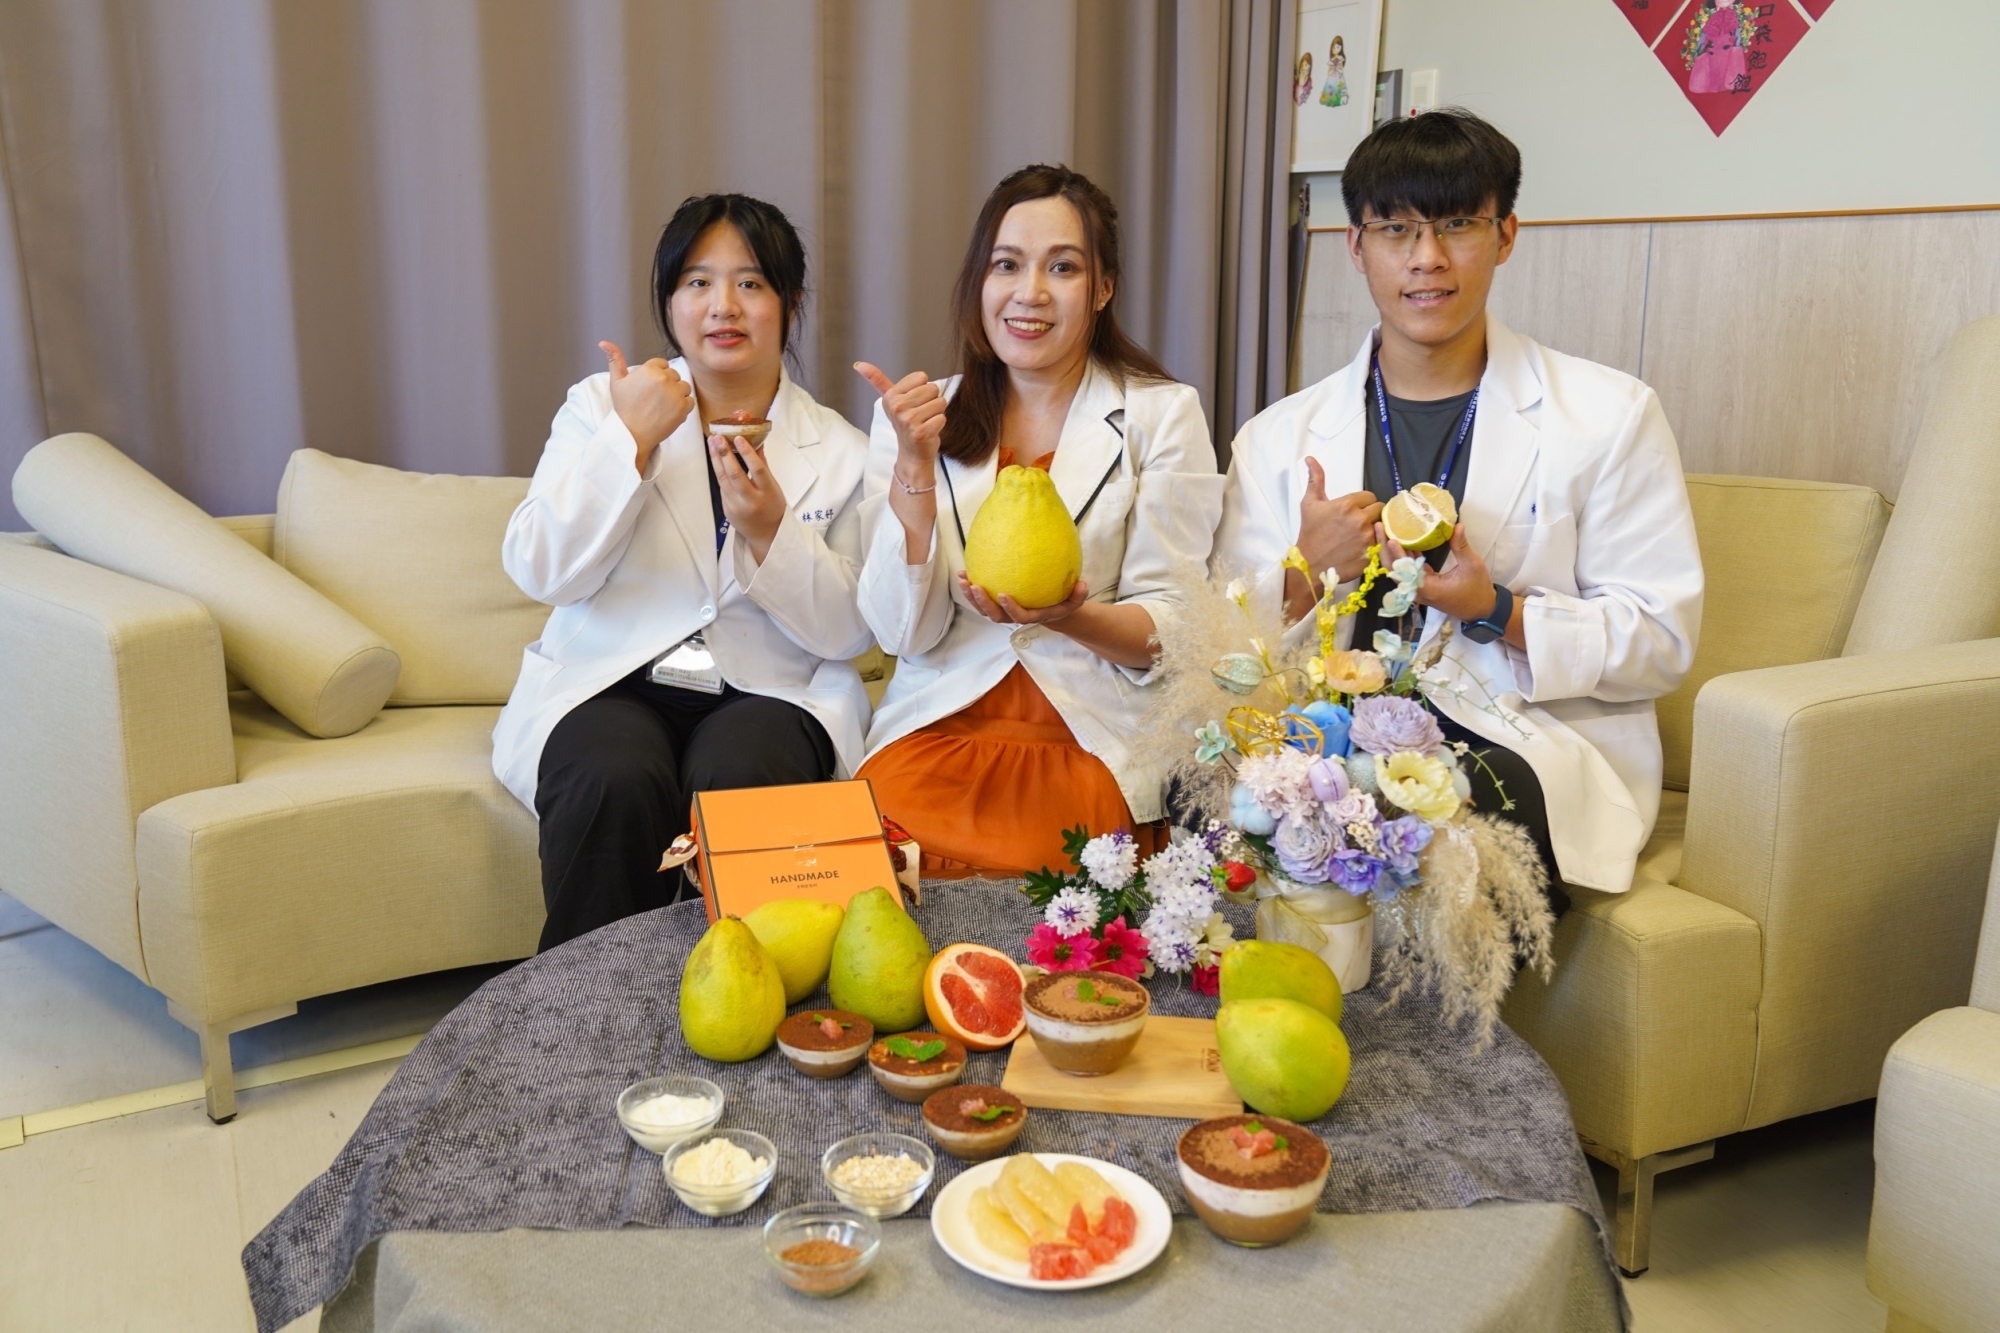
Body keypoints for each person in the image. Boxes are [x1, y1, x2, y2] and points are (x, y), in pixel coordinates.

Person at [1212, 111, 1703, 909]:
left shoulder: (1610, 416)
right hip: (1328, 732)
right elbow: (1223, 649)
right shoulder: (1277, 438)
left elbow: (1663, 641)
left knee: (1471, 796)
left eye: (1457, 225)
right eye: (1396, 229)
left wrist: (1499, 610)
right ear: (1356, 245)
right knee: (1206, 782)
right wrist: (1306, 572)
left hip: (1512, 739)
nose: (1427, 257)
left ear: (1505, 234)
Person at [492, 194, 875, 951]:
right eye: (697, 282)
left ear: (790, 302)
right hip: (612, 679)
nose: (722, 306)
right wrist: (628, 442)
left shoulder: (841, 451)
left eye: (751, 283)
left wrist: (770, 530)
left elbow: (849, 634)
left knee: (744, 771)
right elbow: (541, 570)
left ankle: (749, 998)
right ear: (669, 301)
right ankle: (590, 1005)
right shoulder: (600, 406)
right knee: (610, 775)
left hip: (769, 689)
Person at [853, 164, 1225, 876]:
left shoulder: (1161, 415)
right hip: (937, 723)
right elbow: (901, 633)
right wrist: (913, 469)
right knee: (878, 863)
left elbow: (1173, 634)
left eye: (1063, 267)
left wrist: (1069, 616)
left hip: (1088, 733)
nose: (1030, 293)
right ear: (979, 281)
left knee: (1039, 876)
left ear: (1103, 288)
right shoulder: (917, 418)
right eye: (1007, 265)